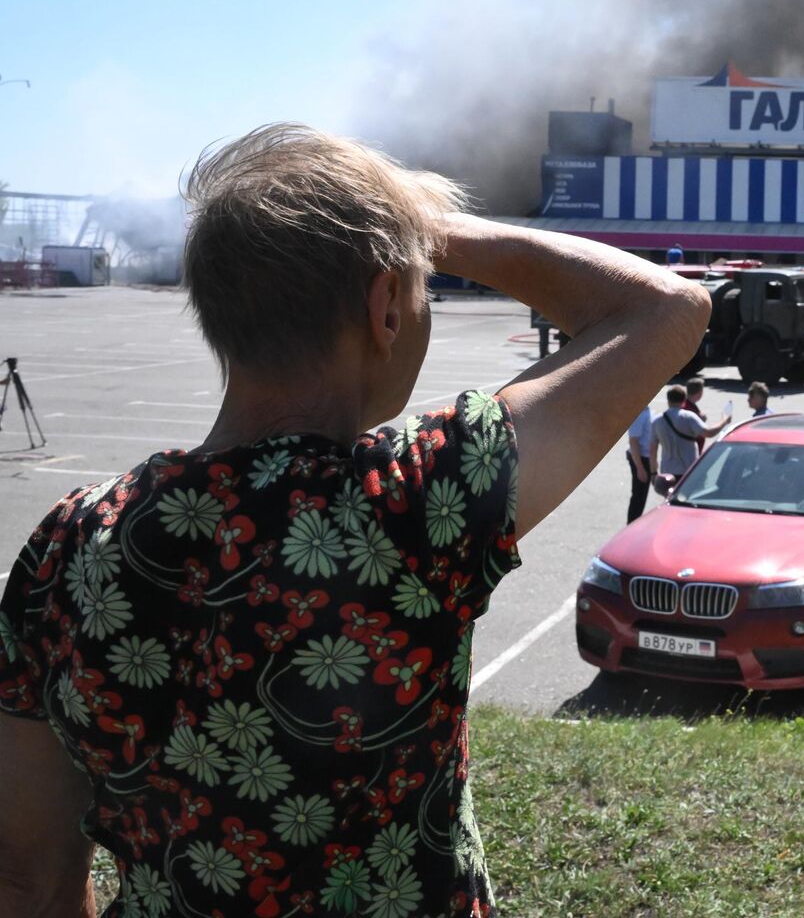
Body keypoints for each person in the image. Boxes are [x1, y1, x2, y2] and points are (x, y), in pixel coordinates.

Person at [0, 124, 710, 918]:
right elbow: (669, 306)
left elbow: (28, 878)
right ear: (385, 308)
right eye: (422, 288)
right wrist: (434, 230)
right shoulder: (413, 496)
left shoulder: (65, 544)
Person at [651, 383, 730, 478]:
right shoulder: (688, 417)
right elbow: (708, 433)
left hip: (667, 471)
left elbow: (652, 450)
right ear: (684, 401)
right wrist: (724, 421)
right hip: (688, 470)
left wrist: (653, 473)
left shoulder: (657, 420)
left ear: (668, 401)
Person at [626, 404, 654, 522]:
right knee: (638, 497)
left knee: (641, 497)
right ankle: (632, 525)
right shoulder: (639, 414)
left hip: (644, 457)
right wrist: (640, 468)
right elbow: (633, 441)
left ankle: (634, 524)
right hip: (640, 458)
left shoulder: (646, 410)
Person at [683, 376, 709, 453]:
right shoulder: (688, 408)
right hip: (690, 453)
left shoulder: (687, 404)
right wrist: (701, 420)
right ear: (700, 392)